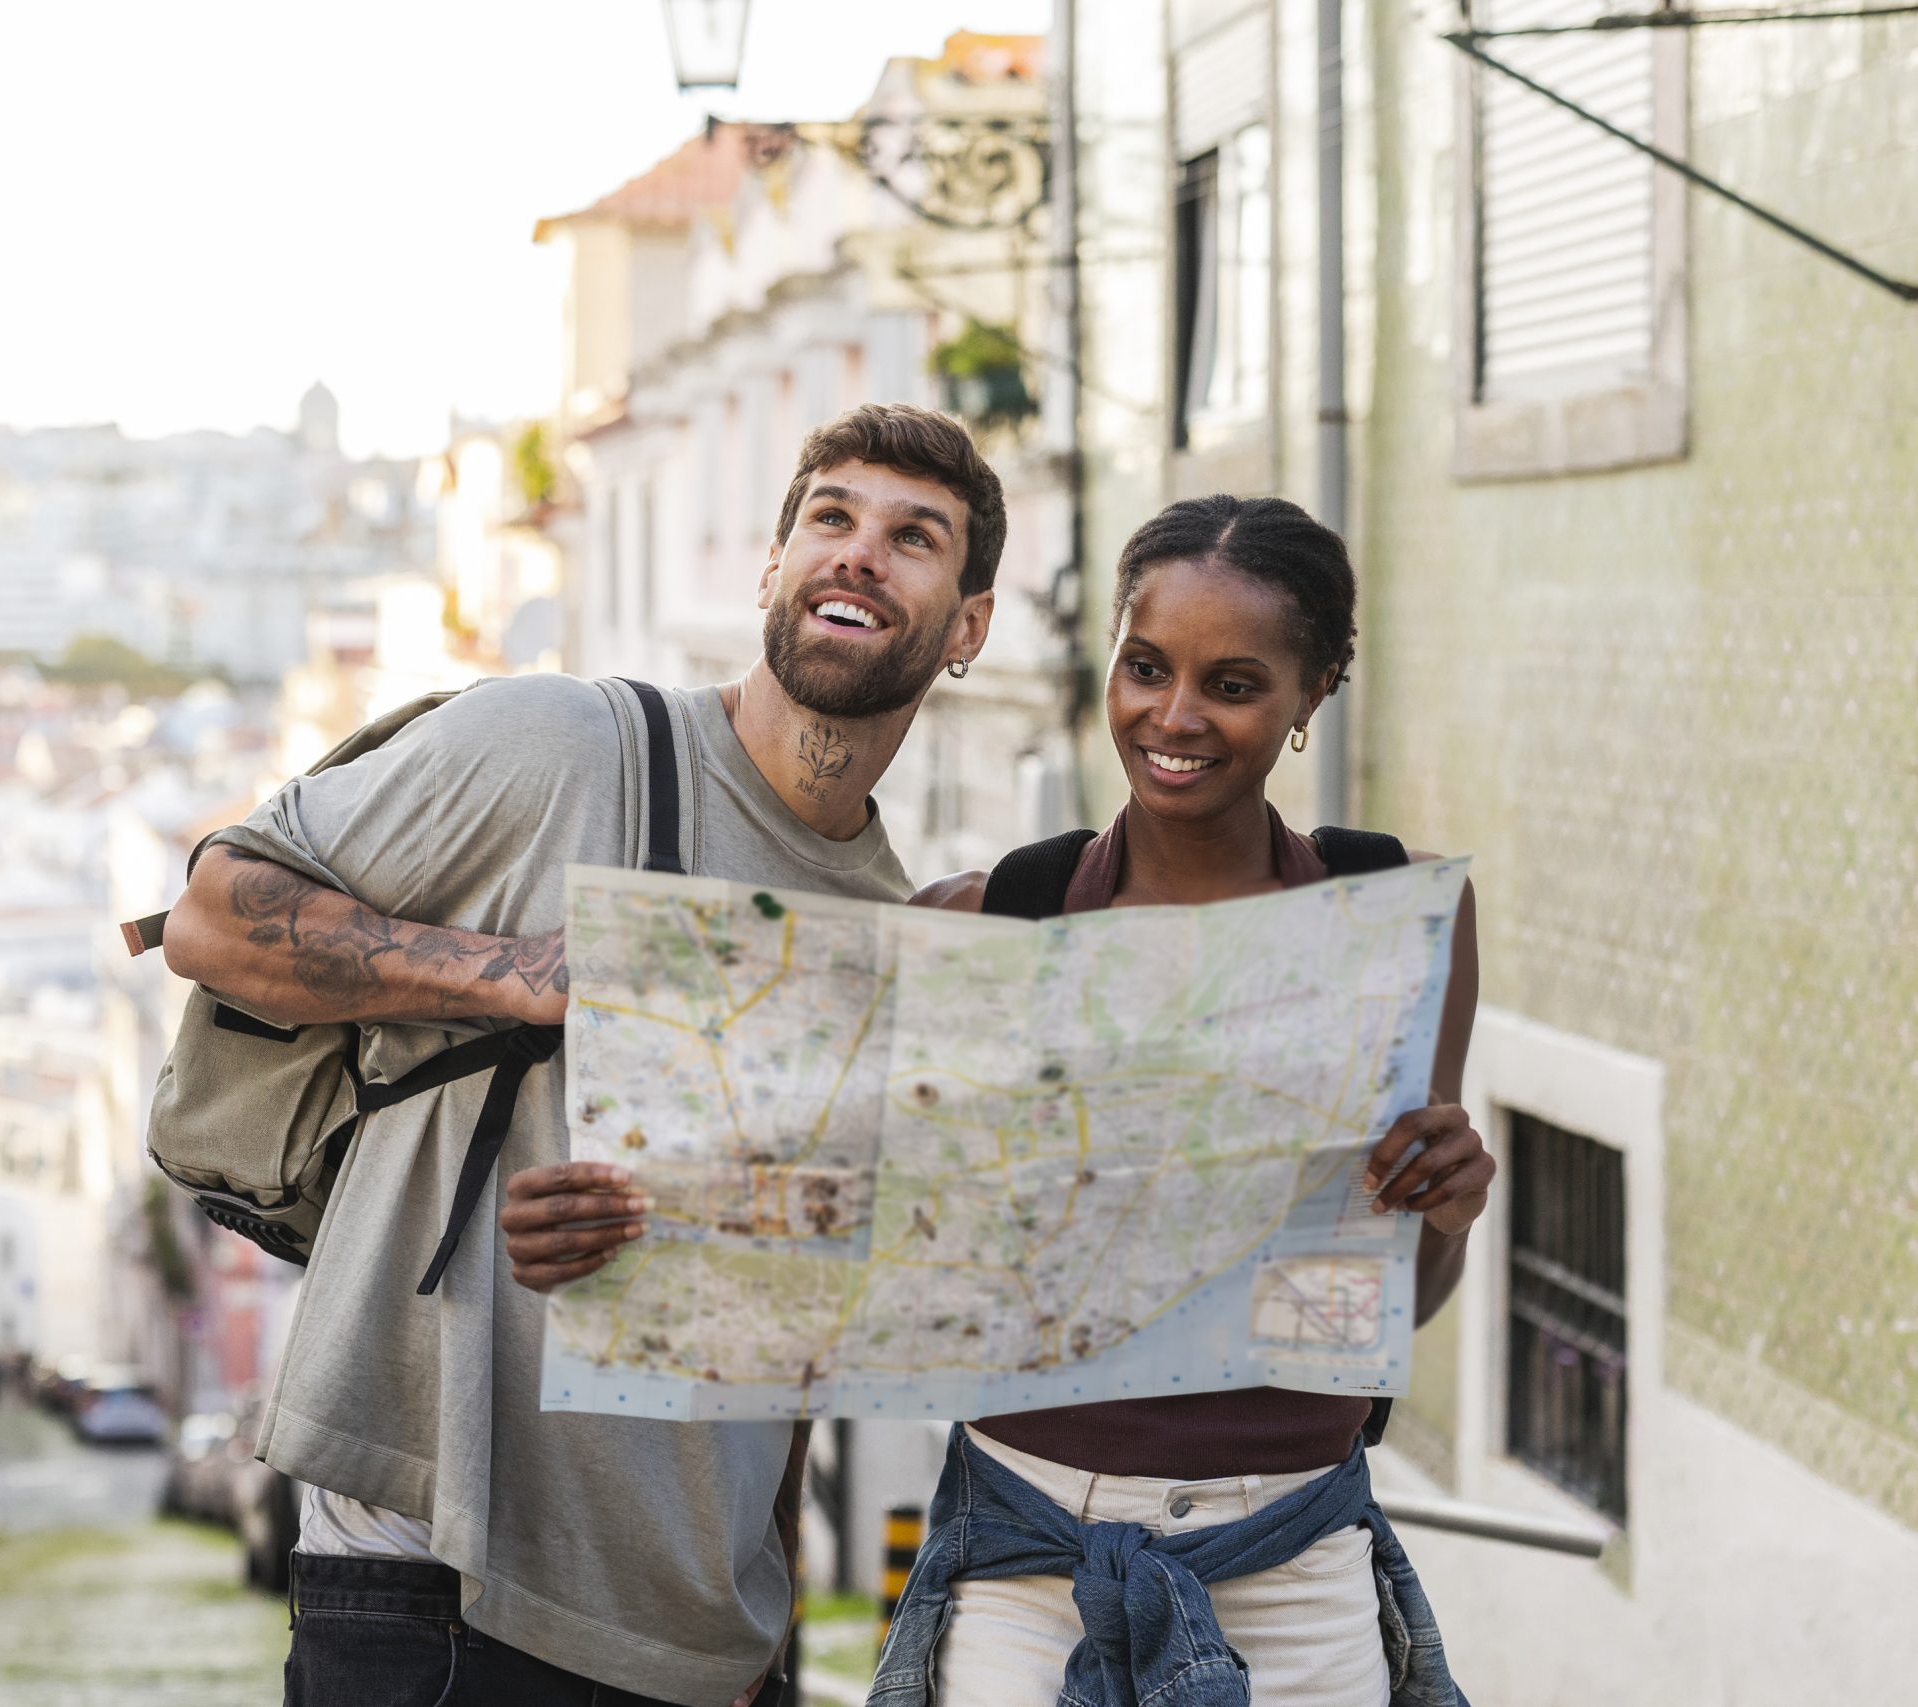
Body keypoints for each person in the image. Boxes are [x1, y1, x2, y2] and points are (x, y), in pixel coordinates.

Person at [511, 494, 1487, 1707]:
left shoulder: (1390, 918)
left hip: (1294, 1570)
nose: (1172, 718)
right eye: (1145, 667)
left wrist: (1444, 1212)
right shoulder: (985, 925)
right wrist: (606, 1240)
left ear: (1314, 691)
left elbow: (1396, 1302)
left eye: (1232, 684)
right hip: (1025, 1569)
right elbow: (826, 1249)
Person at [162, 404, 1006, 1707]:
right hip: (432, 1565)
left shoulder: (891, 928)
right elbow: (215, 914)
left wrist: (768, 1631)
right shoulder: (562, 744)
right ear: (769, 566)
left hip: (695, 1630)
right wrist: (525, 976)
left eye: (913, 538)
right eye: (829, 518)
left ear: (968, 625)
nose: (858, 553)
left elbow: (787, 1327)